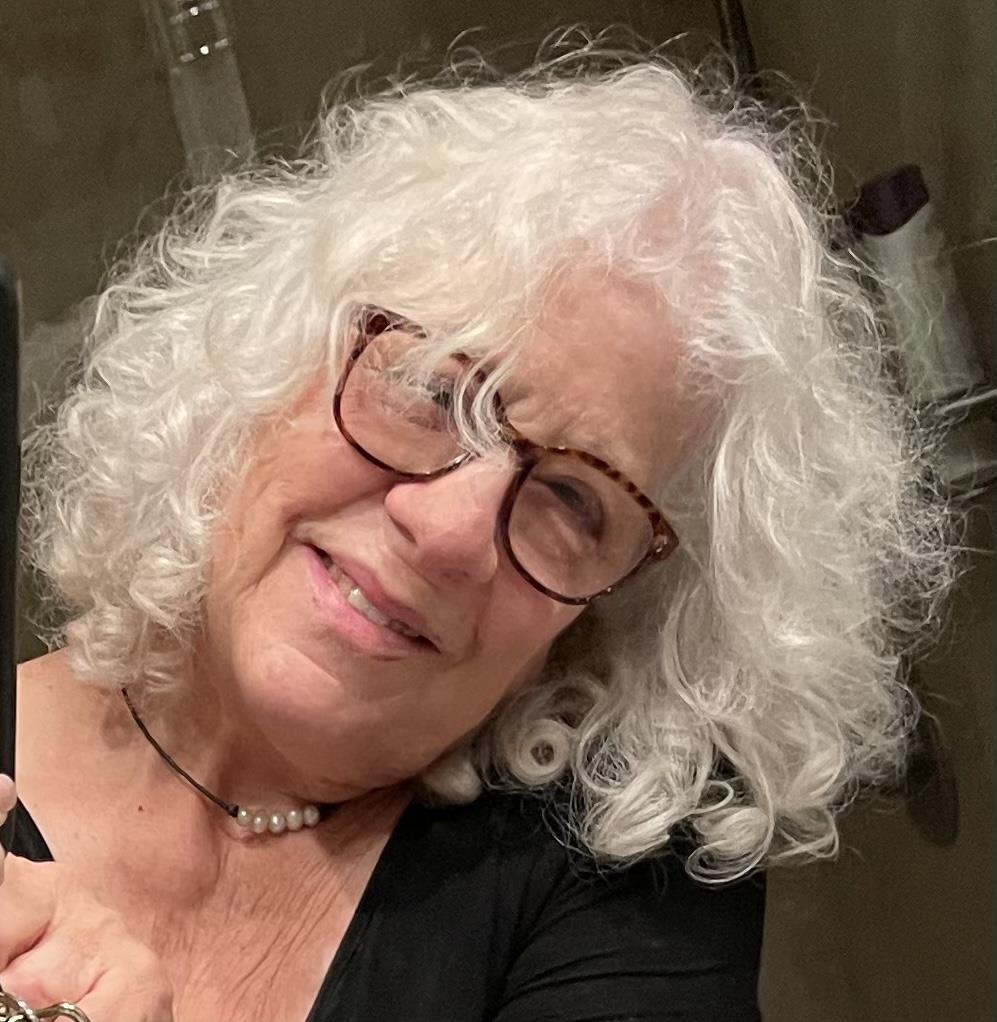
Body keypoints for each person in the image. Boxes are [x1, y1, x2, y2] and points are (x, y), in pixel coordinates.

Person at [0, 52, 952, 1022]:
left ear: (615, 606)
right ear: (258, 371)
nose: (448, 530)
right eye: (427, 388)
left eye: (577, 500)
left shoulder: (618, 864)